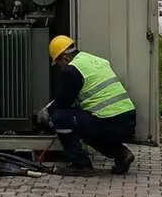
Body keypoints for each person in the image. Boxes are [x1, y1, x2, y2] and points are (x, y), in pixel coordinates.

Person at [40, 36, 136, 177]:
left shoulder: (73, 70)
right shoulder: (91, 59)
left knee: (59, 118)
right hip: (127, 121)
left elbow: (63, 103)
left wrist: (46, 112)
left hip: (110, 122)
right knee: (85, 127)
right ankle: (122, 154)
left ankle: (81, 165)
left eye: (58, 62)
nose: (60, 67)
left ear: (65, 57)